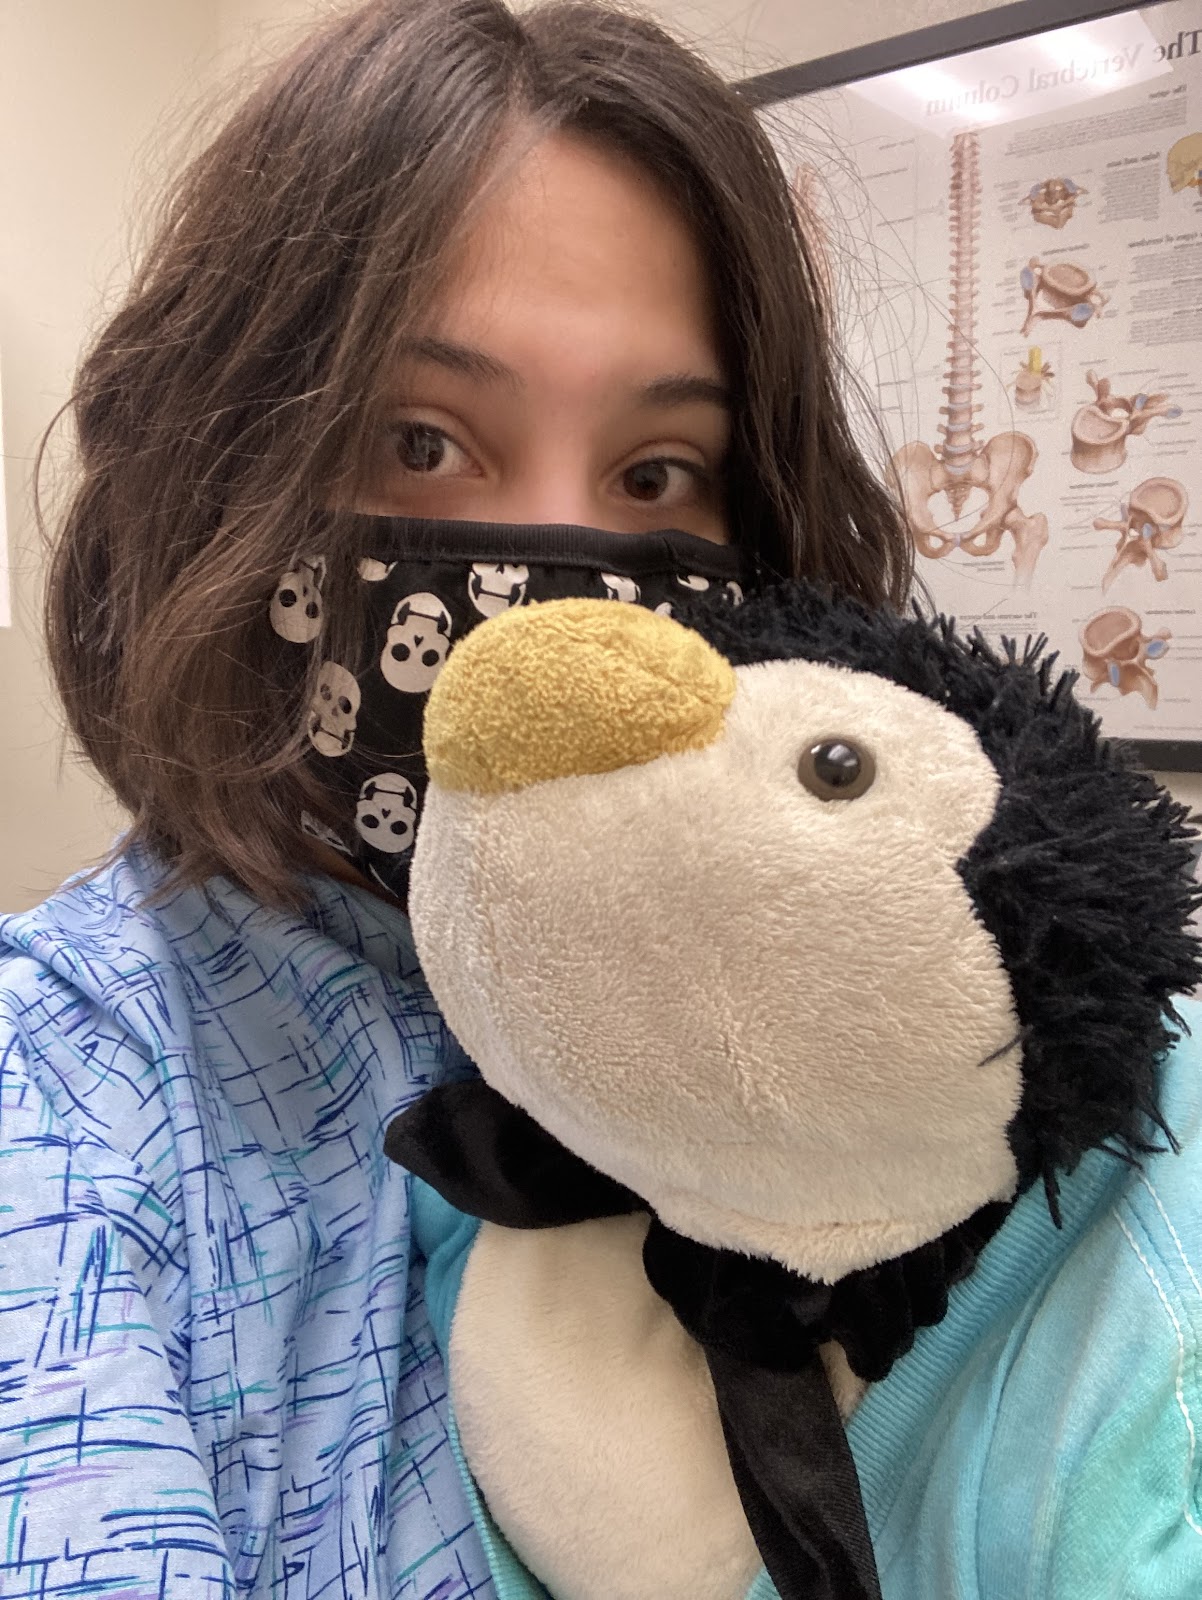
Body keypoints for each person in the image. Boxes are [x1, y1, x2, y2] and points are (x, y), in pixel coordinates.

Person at [1, 2, 1199, 1598]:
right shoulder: (71, 1094)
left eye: (654, 476)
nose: (548, 611)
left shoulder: (911, 1015)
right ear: (219, 469)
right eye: (421, 439)